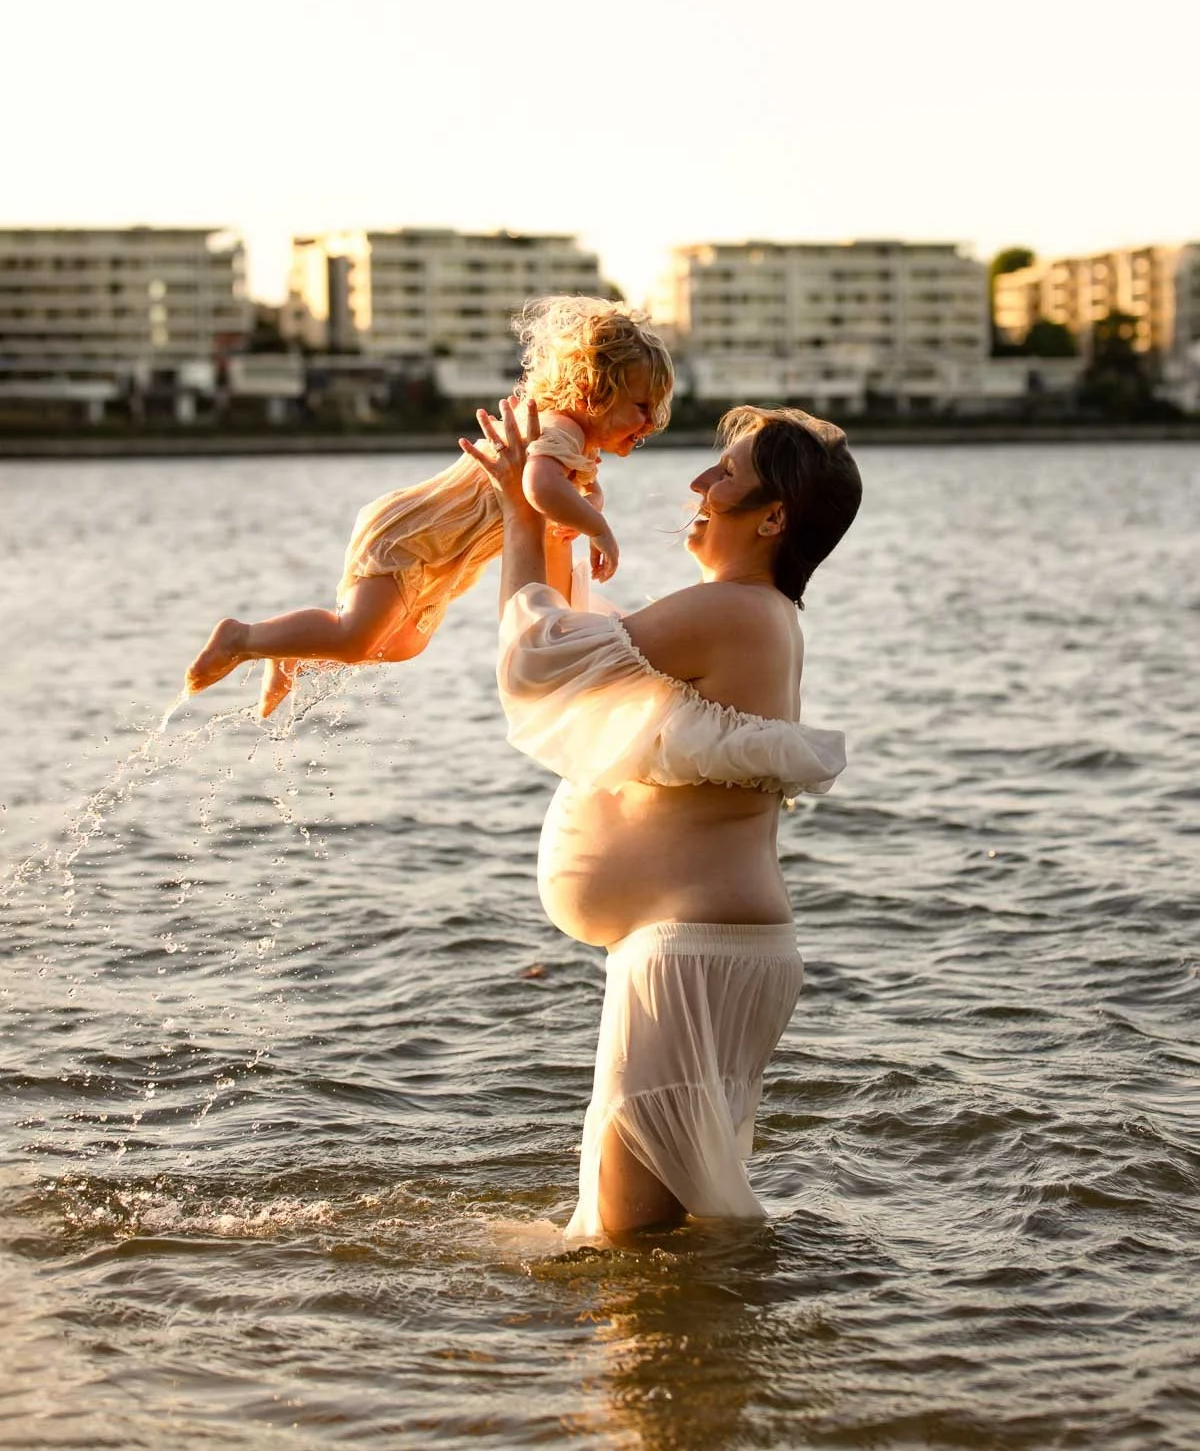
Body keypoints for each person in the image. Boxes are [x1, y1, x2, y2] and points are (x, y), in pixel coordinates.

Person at [464, 396, 862, 1241]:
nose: (699, 480)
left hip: (694, 952)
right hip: (705, 948)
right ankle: (704, 1363)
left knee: (629, 1243)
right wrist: (556, 517)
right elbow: (584, 642)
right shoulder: (756, 618)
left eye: (727, 475)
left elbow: (539, 659)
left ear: (773, 517)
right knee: (655, 1237)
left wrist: (518, 513)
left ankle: (674, 1368)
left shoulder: (731, 611)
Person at [184, 297, 673, 716]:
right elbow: (537, 485)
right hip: (413, 536)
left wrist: (589, 501)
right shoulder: (558, 428)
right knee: (356, 635)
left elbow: (566, 487)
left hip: (442, 555)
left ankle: (294, 653)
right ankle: (242, 637)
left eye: (658, 408)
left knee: (400, 646)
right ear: (591, 393)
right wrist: (598, 527)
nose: (652, 421)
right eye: (641, 406)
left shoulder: (576, 445)